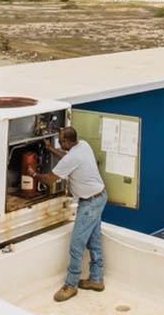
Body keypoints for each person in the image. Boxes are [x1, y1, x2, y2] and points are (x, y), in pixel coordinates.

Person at [27, 126, 107, 302]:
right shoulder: (83, 145)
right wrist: (49, 149)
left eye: (62, 141)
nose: (60, 143)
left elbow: (50, 178)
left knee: (77, 244)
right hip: (99, 197)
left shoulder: (74, 156)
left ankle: (70, 286)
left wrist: (32, 173)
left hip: (90, 203)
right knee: (94, 242)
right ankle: (96, 279)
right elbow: (67, 159)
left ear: (68, 141)